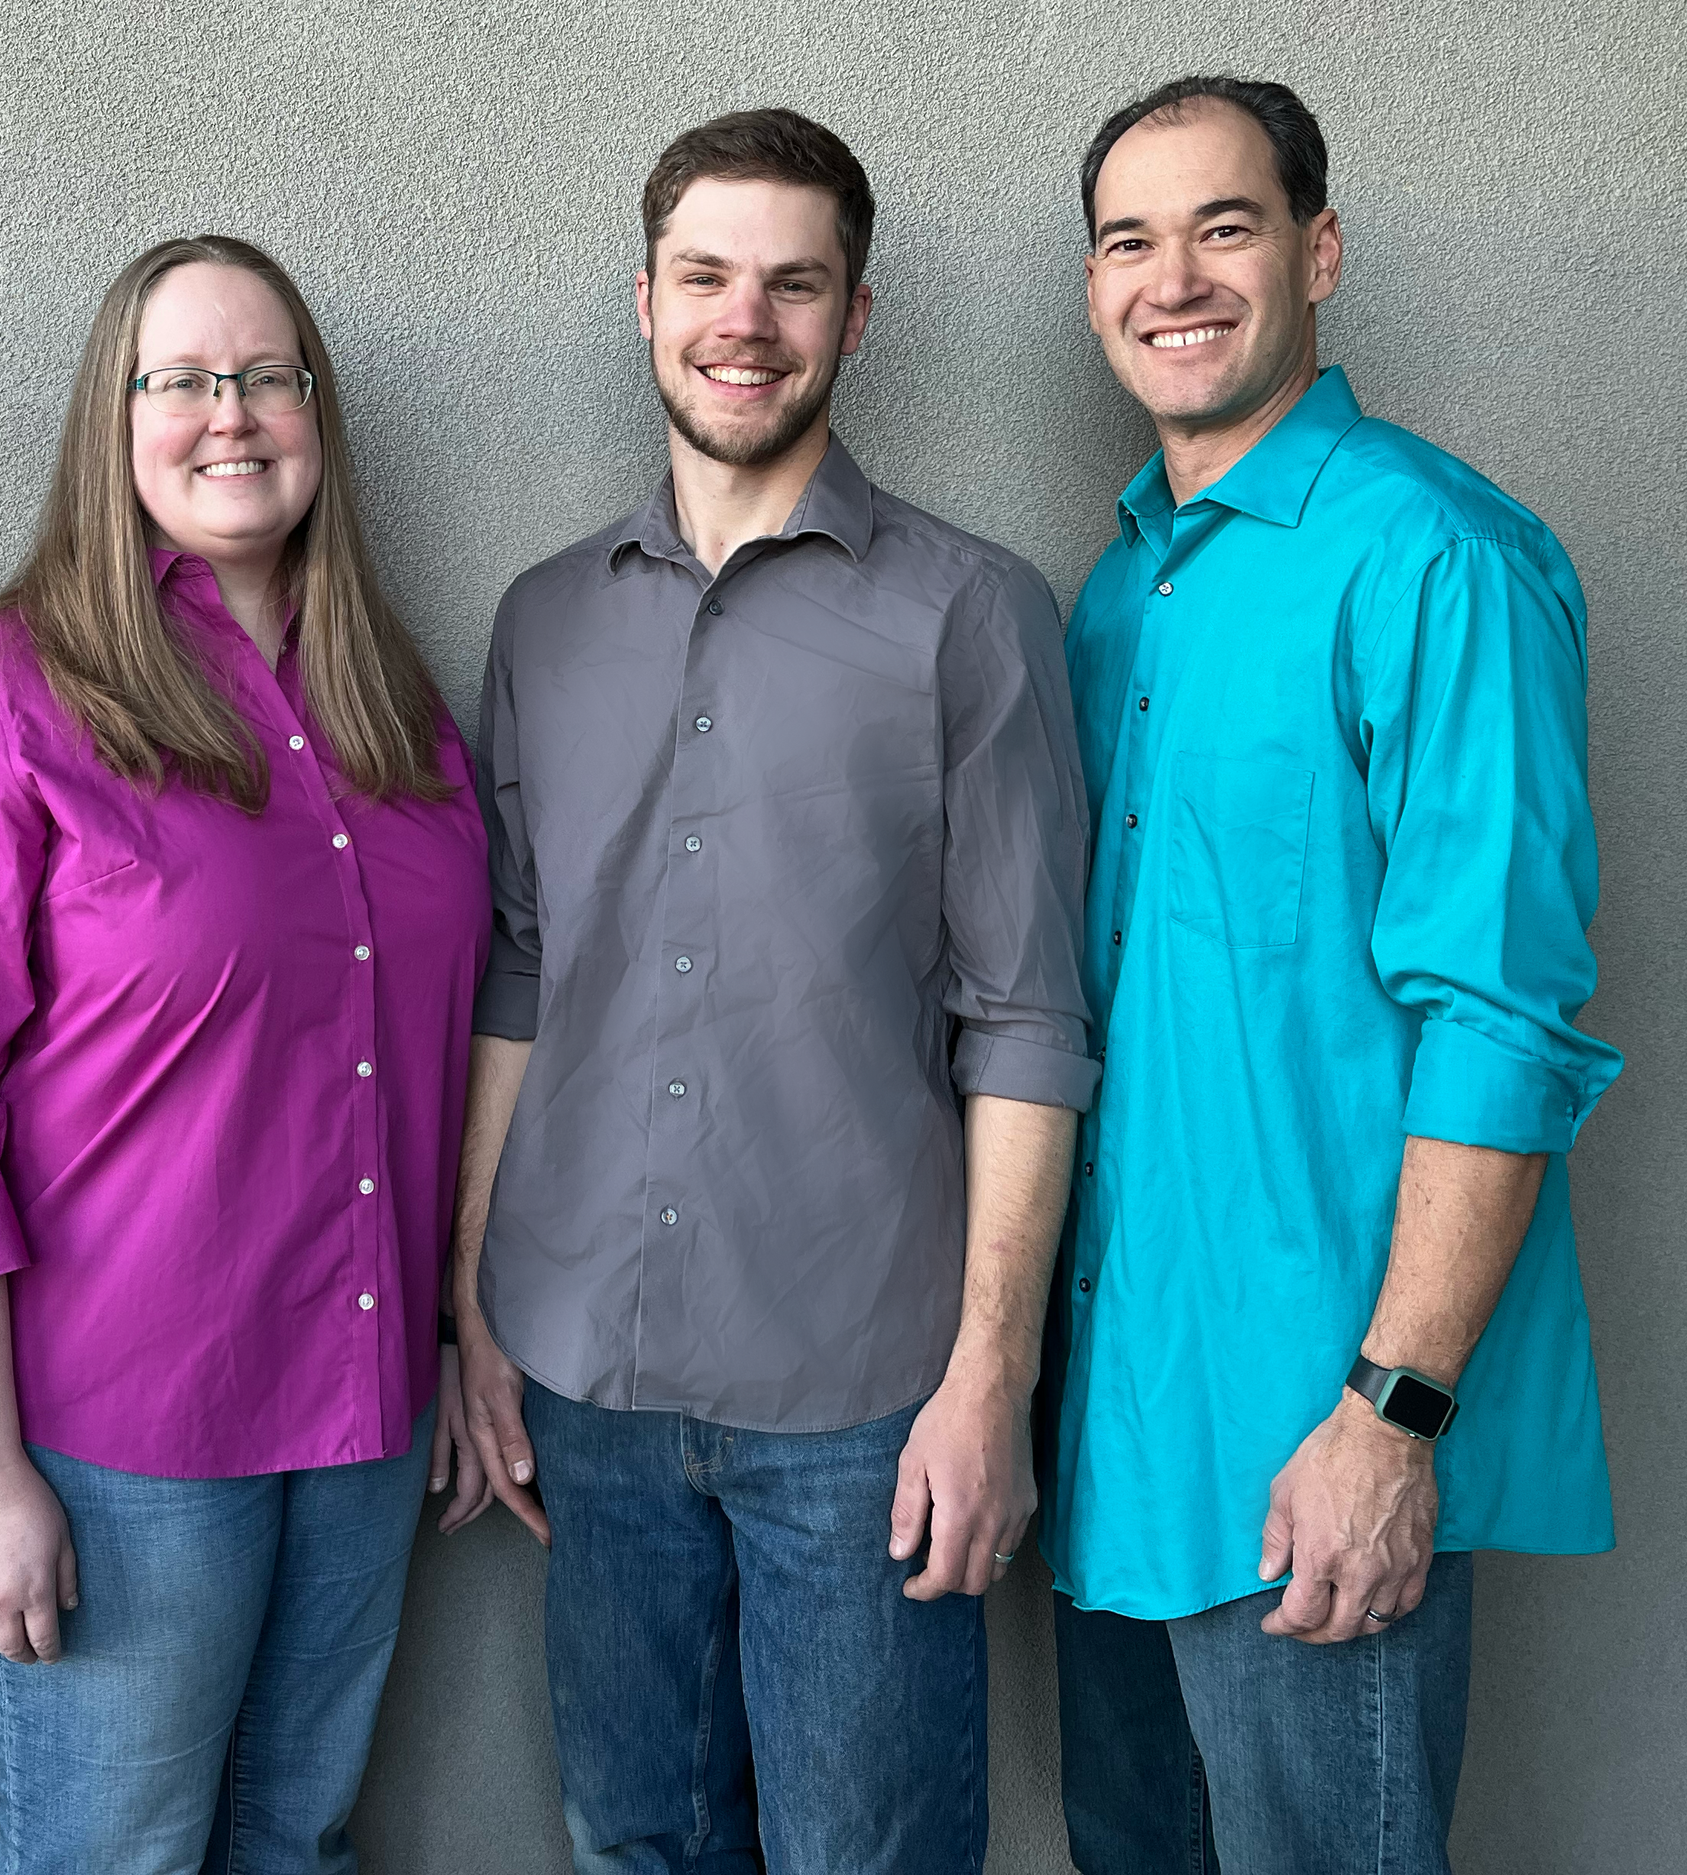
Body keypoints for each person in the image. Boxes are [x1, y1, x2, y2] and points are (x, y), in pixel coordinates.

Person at [450, 109, 1096, 1873]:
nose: (748, 320)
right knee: (630, 1840)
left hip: (868, 1390)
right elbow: (520, 968)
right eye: (710, 277)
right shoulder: (540, 620)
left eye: (794, 283)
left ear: (856, 317)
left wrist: (990, 1380)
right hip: (585, 1367)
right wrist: (471, 1303)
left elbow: (1028, 1018)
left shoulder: (975, 613)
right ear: (645, 298)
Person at [0, 234, 493, 1875]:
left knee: (304, 1838)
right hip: (125, 1436)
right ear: (111, 417)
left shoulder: (396, 709)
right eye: (182, 378)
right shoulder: (2, 693)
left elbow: (450, 1041)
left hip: (361, 1410)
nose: (232, 413)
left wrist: (462, 1329)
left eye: (269, 375)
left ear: (318, 414)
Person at [1040, 75, 1623, 1875]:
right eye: (1131, 240)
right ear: (1093, 292)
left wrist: (1390, 1417)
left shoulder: (1436, 555)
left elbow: (1503, 1021)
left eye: (1225, 226)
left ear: (1318, 251)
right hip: (1123, 1432)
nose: (1177, 278)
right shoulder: (1115, 599)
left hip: (1320, 1430)